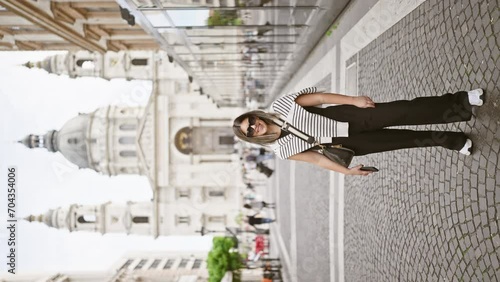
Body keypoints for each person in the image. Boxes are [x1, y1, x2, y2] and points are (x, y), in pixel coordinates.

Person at [233, 87, 485, 176]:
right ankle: (454, 140)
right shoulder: (281, 150)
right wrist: (347, 171)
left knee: (406, 110)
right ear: (252, 137)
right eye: (250, 130)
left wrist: (353, 100)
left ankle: (461, 102)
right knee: (408, 140)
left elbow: (319, 97)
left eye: (251, 121)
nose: (255, 126)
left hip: (350, 116)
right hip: (350, 143)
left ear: (255, 115)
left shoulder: (279, 106)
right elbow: (318, 159)